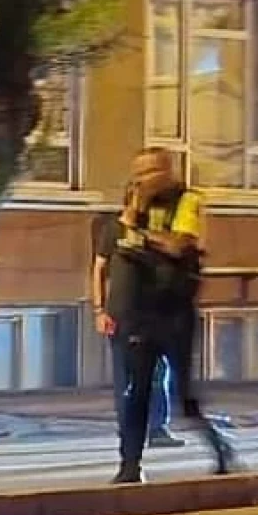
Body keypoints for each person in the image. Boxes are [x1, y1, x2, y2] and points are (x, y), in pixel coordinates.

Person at [108, 148, 235, 486]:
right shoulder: (136, 205)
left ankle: (221, 449)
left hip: (175, 313)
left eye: (148, 173)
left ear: (166, 171)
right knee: (136, 393)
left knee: (184, 395)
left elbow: (179, 245)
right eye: (137, 174)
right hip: (141, 313)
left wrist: (140, 236)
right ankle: (129, 465)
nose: (141, 181)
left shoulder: (187, 199)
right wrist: (134, 216)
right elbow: (118, 248)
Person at [91, 188, 179, 448]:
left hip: (153, 314)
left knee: (158, 371)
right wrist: (99, 310)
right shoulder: (112, 231)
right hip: (121, 314)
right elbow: (99, 270)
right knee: (126, 377)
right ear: (130, 201)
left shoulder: (153, 233)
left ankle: (158, 428)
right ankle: (129, 430)